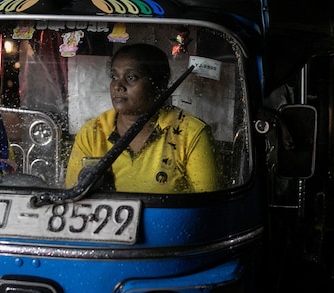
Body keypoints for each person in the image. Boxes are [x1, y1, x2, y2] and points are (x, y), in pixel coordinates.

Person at [65, 43, 220, 193]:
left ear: (158, 84)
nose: (118, 85)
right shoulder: (92, 132)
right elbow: (73, 196)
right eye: (114, 76)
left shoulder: (191, 133)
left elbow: (208, 206)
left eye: (131, 77)